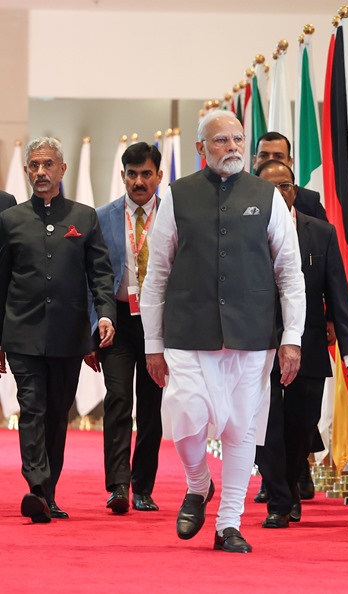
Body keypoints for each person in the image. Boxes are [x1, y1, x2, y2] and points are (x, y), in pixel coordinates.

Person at [140, 111, 306, 553]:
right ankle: (198, 483)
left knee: (241, 430)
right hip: (188, 331)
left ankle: (229, 523)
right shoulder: (177, 196)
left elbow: (290, 273)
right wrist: (152, 345)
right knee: (187, 418)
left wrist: (292, 338)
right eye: (220, 140)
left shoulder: (266, 195)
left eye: (237, 139)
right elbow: (156, 275)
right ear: (201, 149)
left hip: (251, 336)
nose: (231, 147)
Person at [0, 137, 116, 523]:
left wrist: (104, 314)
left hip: (69, 335)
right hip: (22, 332)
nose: (40, 172)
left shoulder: (84, 217)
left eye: (48, 164)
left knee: (57, 413)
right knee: (32, 406)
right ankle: (36, 486)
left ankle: (47, 495)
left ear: (62, 170)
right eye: (34, 165)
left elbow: (100, 273)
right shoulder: (10, 220)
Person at [254, 160, 348, 528]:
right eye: (269, 188)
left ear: (294, 191)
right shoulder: (244, 233)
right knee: (266, 424)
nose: (278, 194)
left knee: (303, 422)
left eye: (284, 186)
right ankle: (279, 500)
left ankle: (291, 485)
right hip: (258, 344)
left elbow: (338, 293)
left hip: (309, 342)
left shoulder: (321, 233)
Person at [84, 142, 164, 514]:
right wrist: (90, 331)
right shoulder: (101, 217)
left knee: (152, 407)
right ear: (123, 176)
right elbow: (91, 278)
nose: (138, 181)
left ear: (159, 176)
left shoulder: (174, 217)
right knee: (118, 401)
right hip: (114, 322)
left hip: (157, 326)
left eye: (146, 173)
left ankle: (142, 486)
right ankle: (118, 485)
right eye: (131, 174)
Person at [254, 131, 326, 221]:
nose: (271, 161)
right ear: (254, 161)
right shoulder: (238, 197)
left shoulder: (310, 201)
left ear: (290, 162)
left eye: (278, 156)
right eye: (264, 155)